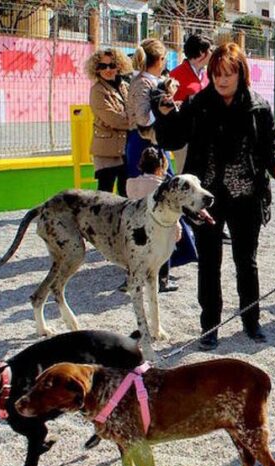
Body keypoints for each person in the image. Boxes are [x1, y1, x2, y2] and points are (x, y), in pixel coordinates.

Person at [154, 42, 275, 349]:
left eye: (228, 74)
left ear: (241, 74)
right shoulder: (198, 104)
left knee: (247, 262)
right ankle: (210, 326)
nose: (222, 80)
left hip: (246, 196)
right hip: (206, 198)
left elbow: (272, 142)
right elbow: (171, 136)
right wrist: (163, 114)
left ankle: (251, 321)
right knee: (209, 263)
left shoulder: (258, 105)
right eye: (216, 74)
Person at [125, 147, 181, 292]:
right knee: (163, 252)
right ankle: (163, 280)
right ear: (160, 166)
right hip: (156, 225)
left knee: (136, 254)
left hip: (135, 224)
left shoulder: (131, 182)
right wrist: (177, 227)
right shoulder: (161, 186)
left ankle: (129, 279)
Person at [86, 48, 132, 196]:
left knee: (125, 191)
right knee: (104, 193)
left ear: (119, 66)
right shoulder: (97, 90)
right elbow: (113, 119)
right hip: (106, 150)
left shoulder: (125, 86)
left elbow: (133, 110)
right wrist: (136, 121)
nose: (108, 70)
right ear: (96, 68)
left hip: (125, 148)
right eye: (102, 66)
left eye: (112, 65)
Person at [126, 38, 173, 180]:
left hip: (155, 140)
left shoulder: (153, 81)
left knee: (166, 181)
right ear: (161, 59)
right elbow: (143, 118)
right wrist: (161, 108)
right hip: (143, 143)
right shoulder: (142, 83)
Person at [169, 34, 212, 173]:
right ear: (201, 53)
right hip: (183, 139)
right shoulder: (176, 75)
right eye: (209, 50)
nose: (212, 54)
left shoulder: (206, 75)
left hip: (203, 136)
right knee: (184, 175)